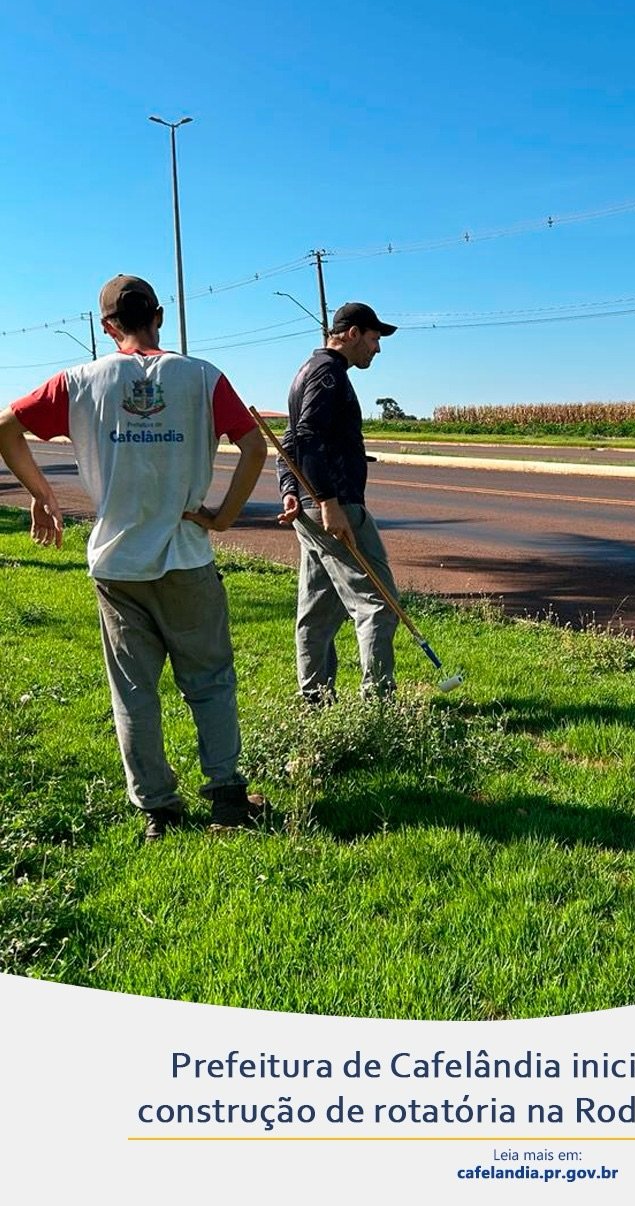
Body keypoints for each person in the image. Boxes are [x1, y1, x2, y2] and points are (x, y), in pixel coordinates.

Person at [0, 275, 270, 840]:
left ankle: (158, 810)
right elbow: (253, 445)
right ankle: (226, 798)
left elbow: (6, 425)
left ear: (107, 327)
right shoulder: (202, 376)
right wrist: (223, 516)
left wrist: (41, 494)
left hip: (117, 564)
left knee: (134, 691)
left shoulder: (80, 382)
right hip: (187, 556)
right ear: (159, 317)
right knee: (210, 681)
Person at [278, 302, 399, 701]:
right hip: (336, 507)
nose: (377, 348)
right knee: (378, 602)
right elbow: (307, 436)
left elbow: (291, 440)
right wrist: (328, 502)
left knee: (318, 610)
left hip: (311, 506)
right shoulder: (328, 374)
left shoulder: (309, 370)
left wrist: (290, 490)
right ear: (352, 334)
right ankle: (379, 702)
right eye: (374, 338)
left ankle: (315, 698)